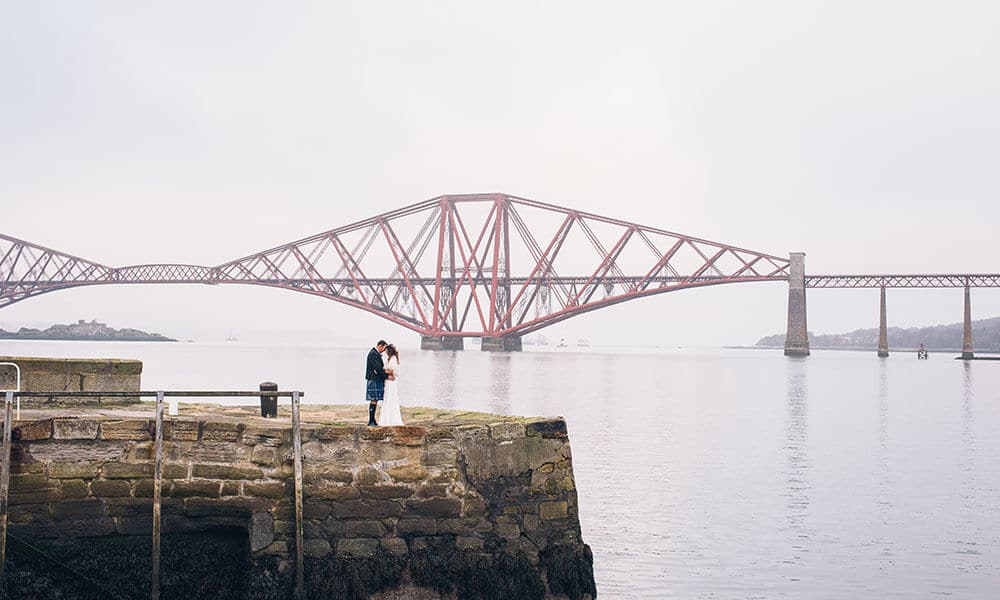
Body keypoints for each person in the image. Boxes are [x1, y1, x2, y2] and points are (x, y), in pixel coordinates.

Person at [365, 340, 388, 426]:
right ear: (380, 346)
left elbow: (377, 369)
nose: (384, 350)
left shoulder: (374, 353)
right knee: (374, 400)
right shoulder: (373, 354)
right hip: (374, 379)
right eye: (384, 348)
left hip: (374, 379)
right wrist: (386, 376)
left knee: (375, 400)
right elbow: (378, 368)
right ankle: (371, 421)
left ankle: (372, 420)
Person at [380, 343, 404, 426]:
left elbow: (393, 371)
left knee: (391, 397)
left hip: (391, 382)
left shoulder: (393, 359)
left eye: (386, 351)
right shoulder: (390, 359)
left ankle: (391, 419)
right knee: (387, 398)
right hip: (388, 381)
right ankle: (387, 418)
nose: (385, 352)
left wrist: (383, 371)